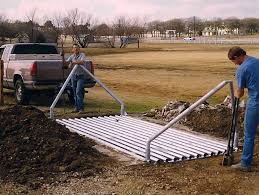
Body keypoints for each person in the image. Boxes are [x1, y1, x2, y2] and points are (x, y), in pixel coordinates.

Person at [228, 46, 259, 172]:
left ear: (236, 57)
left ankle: (245, 163)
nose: (235, 64)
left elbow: (240, 92)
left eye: (233, 61)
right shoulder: (257, 61)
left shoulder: (242, 69)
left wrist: (235, 95)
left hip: (255, 103)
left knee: (249, 134)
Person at [63, 43, 88, 113]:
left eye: (77, 48)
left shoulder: (82, 55)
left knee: (78, 91)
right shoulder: (71, 56)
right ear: (72, 49)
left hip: (81, 76)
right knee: (74, 92)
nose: (76, 49)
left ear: (79, 49)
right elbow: (65, 63)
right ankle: (76, 107)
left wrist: (73, 62)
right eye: (74, 48)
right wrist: (62, 56)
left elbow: (82, 62)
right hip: (73, 76)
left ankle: (81, 108)